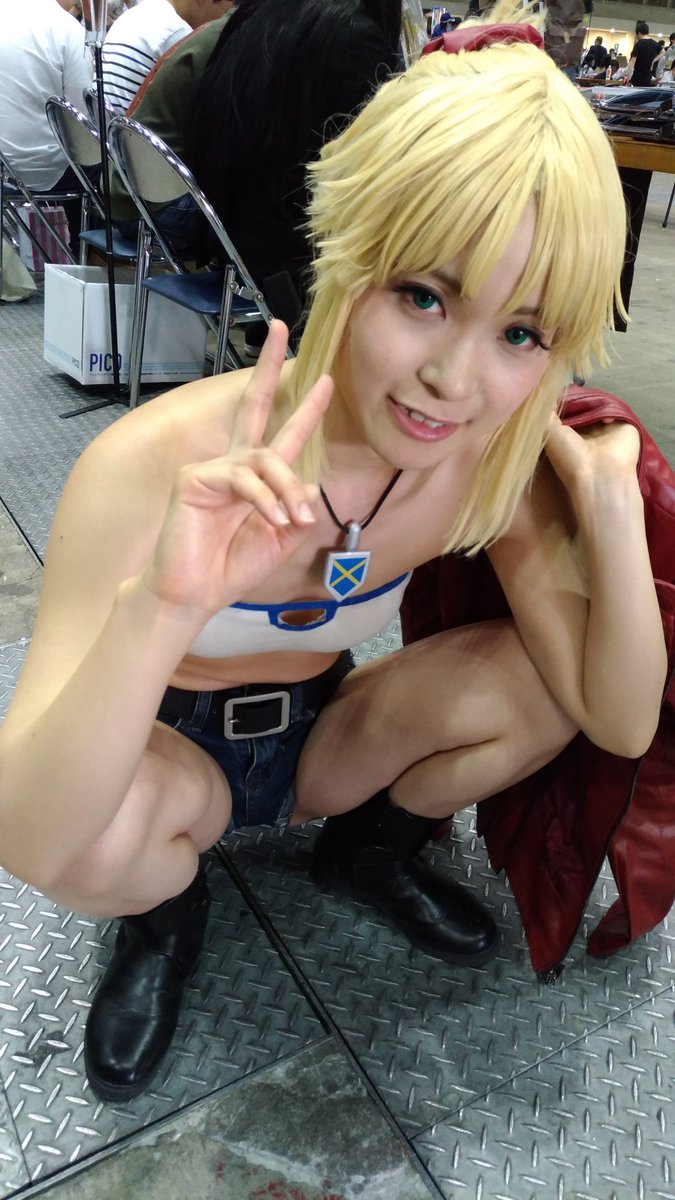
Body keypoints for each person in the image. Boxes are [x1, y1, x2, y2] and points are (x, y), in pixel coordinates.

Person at [0, 0, 666, 1108]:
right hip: (169, 761)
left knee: (541, 685)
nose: (455, 380)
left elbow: (621, 720)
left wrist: (609, 508)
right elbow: (28, 836)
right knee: (93, 838)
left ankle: (366, 850)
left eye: (520, 332)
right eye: (423, 295)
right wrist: (159, 605)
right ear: (348, 253)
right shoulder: (152, 463)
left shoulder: (488, 470)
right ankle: (164, 913)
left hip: (328, 740)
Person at [186, 0, 403, 349]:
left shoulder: (258, 15)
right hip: (285, 258)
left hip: (227, 237)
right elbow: (365, 175)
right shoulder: (353, 40)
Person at [109, 9, 234, 257]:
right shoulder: (224, 41)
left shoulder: (139, 16)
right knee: (265, 222)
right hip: (149, 206)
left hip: (122, 188)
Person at [0, 0, 94, 250]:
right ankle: (85, 257)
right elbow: (80, 120)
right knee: (103, 169)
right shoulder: (67, 29)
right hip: (46, 170)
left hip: (5, 167)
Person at [101, 0, 231, 114]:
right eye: (225, 13)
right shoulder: (178, 32)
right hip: (127, 130)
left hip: (104, 124)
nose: (221, 21)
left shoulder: (134, 14)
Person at [626, 21, 661, 87]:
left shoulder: (639, 44)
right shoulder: (654, 43)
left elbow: (633, 61)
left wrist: (627, 75)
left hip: (637, 77)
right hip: (648, 77)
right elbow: (663, 52)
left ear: (639, 33)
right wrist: (653, 60)